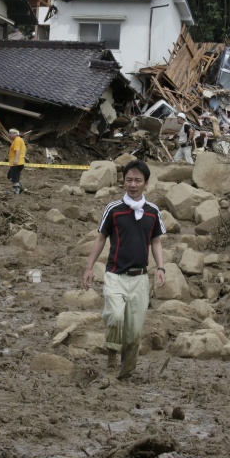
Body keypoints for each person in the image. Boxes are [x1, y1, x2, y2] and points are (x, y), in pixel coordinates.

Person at [82, 160, 166, 380]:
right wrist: (89, 267)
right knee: (115, 316)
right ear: (123, 181)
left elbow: (156, 241)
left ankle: (125, 375)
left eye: (138, 180)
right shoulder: (114, 209)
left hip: (140, 279)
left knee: (133, 332)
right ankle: (111, 361)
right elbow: (101, 238)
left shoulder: (152, 212)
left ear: (146, 183)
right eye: (129, 180)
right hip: (115, 275)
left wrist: (161, 268)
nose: (133, 184)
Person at [7, 128, 27, 194]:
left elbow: (17, 150)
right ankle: (19, 186)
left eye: (10, 133)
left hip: (16, 163)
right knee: (10, 176)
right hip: (18, 162)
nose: (9, 135)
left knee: (14, 179)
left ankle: (16, 191)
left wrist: (16, 159)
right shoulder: (19, 140)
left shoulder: (17, 140)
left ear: (15, 134)